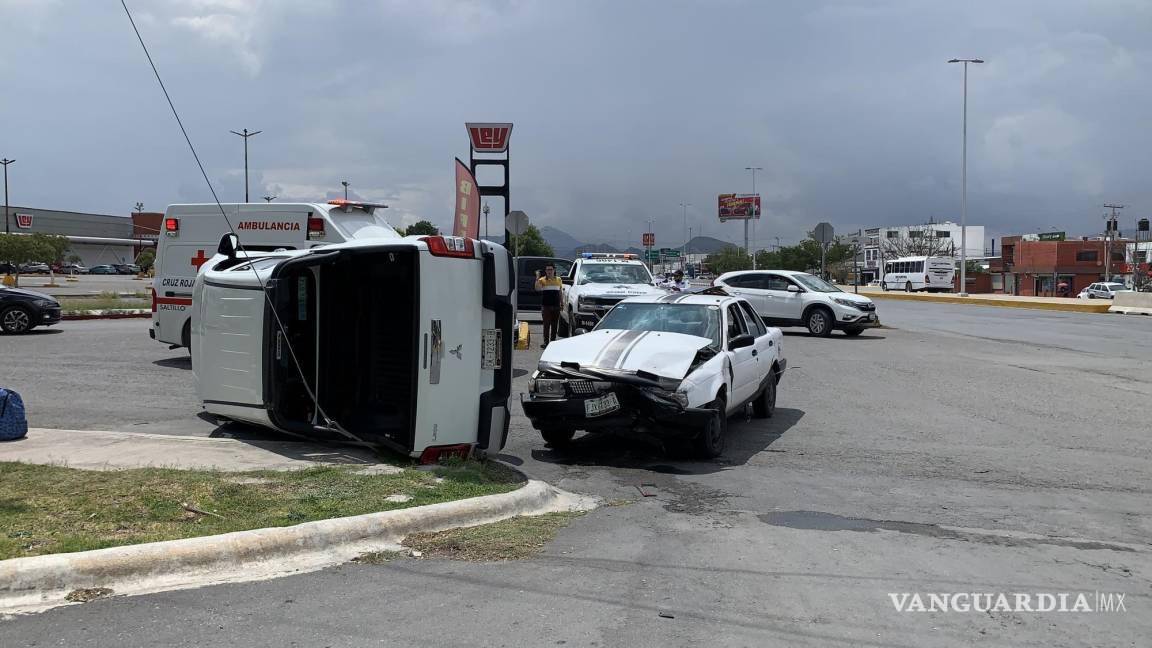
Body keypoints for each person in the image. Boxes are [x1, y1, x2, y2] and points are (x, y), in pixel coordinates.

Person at [535, 264, 563, 348]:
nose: (549, 271)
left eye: (550, 269)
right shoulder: (542, 280)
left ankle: (553, 342)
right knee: (546, 325)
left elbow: (560, 292)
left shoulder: (558, 279)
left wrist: (562, 303)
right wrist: (537, 277)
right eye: (547, 270)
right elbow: (537, 289)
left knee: (554, 325)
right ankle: (546, 342)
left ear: (554, 270)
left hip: (556, 306)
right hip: (546, 306)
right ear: (546, 271)